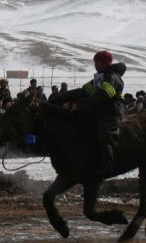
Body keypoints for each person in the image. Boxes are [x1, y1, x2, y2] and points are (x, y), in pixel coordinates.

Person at [52, 51, 126, 179]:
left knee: (104, 132)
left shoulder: (112, 77)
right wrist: (59, 99)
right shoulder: (100, 77)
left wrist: (81, 105)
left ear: (104, 63)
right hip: (97, 111)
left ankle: (107, 163)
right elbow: (83, 91)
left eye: (96, 62)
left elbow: (102, 95)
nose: (95, 65)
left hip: (110, 113)